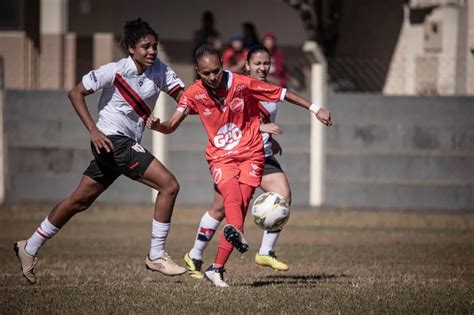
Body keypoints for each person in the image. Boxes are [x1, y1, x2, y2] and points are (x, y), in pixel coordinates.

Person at [13, 18, 187, 284]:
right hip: (114, 142)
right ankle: (156, 255)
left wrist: (171, 123)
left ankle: (29, 246)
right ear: (131, 48)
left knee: (78, 201)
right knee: (169, 186)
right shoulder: (115, 70)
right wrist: (93, 130)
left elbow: (184, 98)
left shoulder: (160, 71)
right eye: (145, 47)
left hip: (117, 146)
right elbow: (75, 93)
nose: (151, 51)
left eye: (154, 46)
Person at [146, 44, 332, 287]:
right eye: (205, 73)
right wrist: (158, 125)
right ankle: (217, 247)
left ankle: (217, 267)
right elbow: (171, 125)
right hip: (221, 157)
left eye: (215, 71)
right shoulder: (193, 94)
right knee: (231, 199)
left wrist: (315, 109)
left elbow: (282, 93)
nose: (212, 77)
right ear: (197, 72)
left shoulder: (242, 83)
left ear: (223, 65)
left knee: (241, 206)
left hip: (252, 154)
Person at [183, 45, 294, 281]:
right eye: (258, 64)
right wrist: (259, 128)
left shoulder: (268, 91)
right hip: (234, 156)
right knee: (221, 209)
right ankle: (195, 254)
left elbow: (259, 117)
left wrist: (270, 139)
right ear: (247, 65)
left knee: (283, 195)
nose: (263, 68)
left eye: (267, 64)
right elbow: (230, 120)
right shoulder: (239, 86)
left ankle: (265, 251)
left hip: (261, 154)